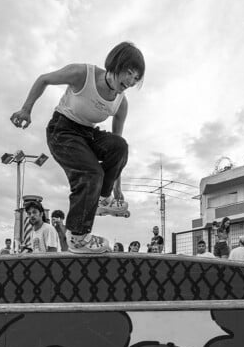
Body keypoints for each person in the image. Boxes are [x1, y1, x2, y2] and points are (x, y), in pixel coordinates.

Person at [10, 41, 145, 253]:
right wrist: (26, 109)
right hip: (62, 130)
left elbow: (116, 150)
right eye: (128, 73)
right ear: (115, 65)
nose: (130, 81)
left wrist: (116, 187)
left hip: (88, 134)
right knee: (91, 174)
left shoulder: (121, 103)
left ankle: (102, 198)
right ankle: (78, 236)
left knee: (119, 146)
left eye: (136, 78)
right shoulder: (82, 74)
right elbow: (44, 79)